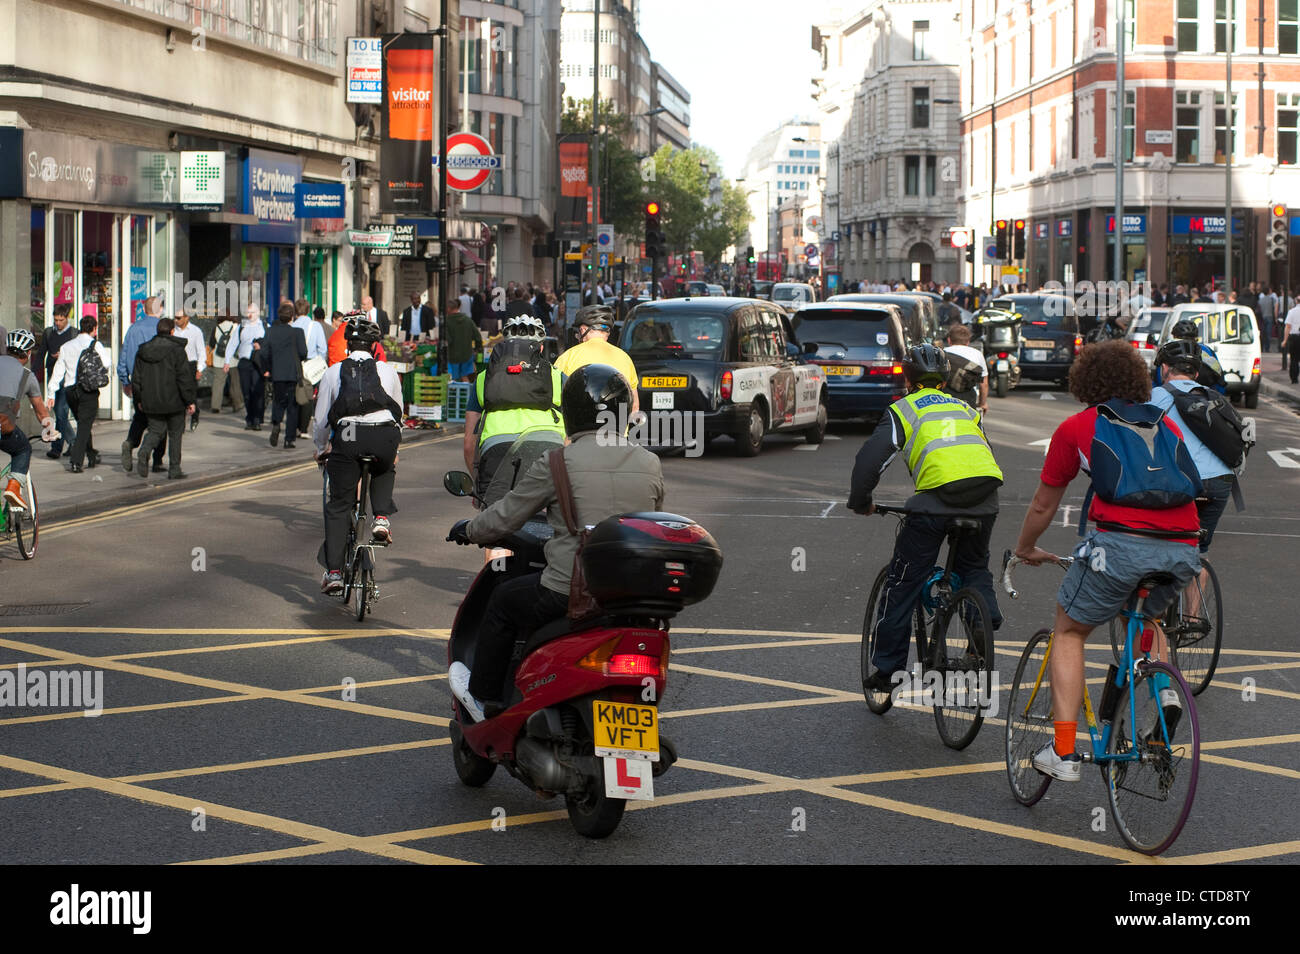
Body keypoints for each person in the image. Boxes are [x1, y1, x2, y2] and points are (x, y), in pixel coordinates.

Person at [1012, 340, 1200, 781]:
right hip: (1184, 547)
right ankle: (1165, 690)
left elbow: (1043, 505)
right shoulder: (1163, 423)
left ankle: (1062, 752)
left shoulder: (1079, 427)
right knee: (1144, 616)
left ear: (1085, 382)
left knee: (1070, 630)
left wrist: (1025, 548)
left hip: (1121, 546)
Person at [445, 364, 665, 720]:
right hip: (629, 596)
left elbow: (505, 516)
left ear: (572, 413)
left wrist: (469, 530)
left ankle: (486, 698)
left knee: (502, 601)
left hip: (568, 592)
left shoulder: (559, 461)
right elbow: (649, 524)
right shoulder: (649, 462)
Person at [848, 344, 1005, 693]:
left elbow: (869, 463)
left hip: (937, 499)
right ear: (945, 378)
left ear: (908, 377)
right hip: (985, 497)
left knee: (903, 582)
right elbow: (980, 454)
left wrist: (861, 501)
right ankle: (982, 618)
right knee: (974, 568)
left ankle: (888, 672)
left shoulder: (903, 409)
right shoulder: (966, 408)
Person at [313, 315, 404, 594]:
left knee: (339, 505)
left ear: (348, 346)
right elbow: (398, 411)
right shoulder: (387, 371)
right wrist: (394, 448)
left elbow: (321, 421)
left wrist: (321, 450)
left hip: (349, 437)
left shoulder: (333, 372)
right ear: (375, 346)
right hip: (383, 435)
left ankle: (336, 573)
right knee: (386, 466)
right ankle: (380, 519)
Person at [462, 313, 565, 505]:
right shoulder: (558, 377)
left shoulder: (483, 379)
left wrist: (479, 484)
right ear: (541, 347)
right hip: (548, 451)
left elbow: (469, 443)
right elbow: (570, 438)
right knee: (555, 518)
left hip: (496, 451)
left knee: (493, 523)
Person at [1151, 340, 1237, 560]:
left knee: (1159, 543)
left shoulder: (1155, 397)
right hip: (1220, 481)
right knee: (1199, 551)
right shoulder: (1213, 398)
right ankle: (1197, 591)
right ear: (1196, 374)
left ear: (1164, 369)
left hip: (1179, 481)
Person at [131, 317, 196, 480]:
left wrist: (138, 399)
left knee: (155, 431)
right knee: (175, 434)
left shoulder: (143, 350)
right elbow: (183, 377)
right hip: (174, 400)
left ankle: (144, 450)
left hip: (151, 400)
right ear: (172, 331)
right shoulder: (177, 350)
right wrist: (190, 400)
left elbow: (136, 378)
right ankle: (174, 469)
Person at [0, 330, 56, 507]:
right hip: (3, 427)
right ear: (29, 353)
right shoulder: (27, 376)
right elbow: (41, 412)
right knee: (23, 449)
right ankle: (14, 487)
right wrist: (50, 430)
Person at [49, 316, 111, 473]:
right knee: (84, 425)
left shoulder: (66, 346)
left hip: (70, 391)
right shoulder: (96, 345)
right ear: (94, 329)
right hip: (88, 390)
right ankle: (76, 461)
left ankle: (91, 454)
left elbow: (58, 371)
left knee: (84, 423)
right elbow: (107, 363)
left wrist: (51, 392)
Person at [554, 305, 640, 415]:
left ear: (583, 330)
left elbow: (556, 401)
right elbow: (634, 406)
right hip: (616, 429)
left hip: (579, 430)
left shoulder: (567, 357)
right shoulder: (624, 358)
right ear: (607, 332)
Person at [117, 295, 166, 472]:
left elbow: (123, 357)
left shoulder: (133, 329)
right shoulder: (162, 328)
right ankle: (157, 459)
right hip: (158, 382)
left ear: (144, 310)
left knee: (140, 417)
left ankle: (130, 443)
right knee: (161, 419)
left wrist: (125, 380)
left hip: (137, 383)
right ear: (159, 310)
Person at [262, 301, 308, 449]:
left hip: (277, 374)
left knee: (278, 401)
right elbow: (303, 353)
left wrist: (268, 367)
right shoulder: (298, 332)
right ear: (292, 317)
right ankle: (289, 439)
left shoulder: (270, 332)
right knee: (292, 407)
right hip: (293, 374)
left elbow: (263, 353)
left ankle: (276, 424)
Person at [37, 303, 78, 458]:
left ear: (67, 318)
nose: (58, 323)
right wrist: (35, 372)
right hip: (53, 376)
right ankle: (73, 442)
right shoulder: (49, 333)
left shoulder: (74, 334)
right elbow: (41, 353)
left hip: (68, 378)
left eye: (61, 320)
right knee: (59, 412)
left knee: (61, 411)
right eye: (56, 320)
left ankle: (57, 447)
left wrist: (63, 355)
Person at [223, 302, 267, 431]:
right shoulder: (241, 327)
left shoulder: (264, 326)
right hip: (244, 362)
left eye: (252, 312)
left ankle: (257, 419)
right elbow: (232, 344)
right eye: (248, 312)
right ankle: (250, 418)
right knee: (246, 391)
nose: (250, 315)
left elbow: (269, 344)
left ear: (258, 313)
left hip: (258, 363)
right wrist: (227, 361)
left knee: (257, 391)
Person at [291, 299, 328, 439]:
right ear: (307, 310)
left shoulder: (292, 325)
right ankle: (304, 428)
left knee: (295, 395)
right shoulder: (315, 326)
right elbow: (322, 348)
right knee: (308, 397)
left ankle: (294, 425)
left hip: (295, 365)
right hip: (311, 365)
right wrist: (319, 361)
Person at [941, 322, 988, 413]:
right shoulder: (977, 354)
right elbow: (984, 384)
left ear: (949, 340)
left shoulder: (942, 353)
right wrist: (983, 404)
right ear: (968, 342)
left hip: (945, 398)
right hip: (968, 398)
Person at [172, 308, 206, 432]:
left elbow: (201, 351)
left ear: (186, 318)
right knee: (177, 394)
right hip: (176, 365)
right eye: (175, 317)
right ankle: (180, 423)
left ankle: (195, 415)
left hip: (190, 365)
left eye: (179, 318)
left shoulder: (196, 331)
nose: (176, 320)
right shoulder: (173, 331)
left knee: (190, 393)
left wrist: (199, 369)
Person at [208, 312, 243, 415]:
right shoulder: (236, 326)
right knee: (234, 382)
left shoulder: (217, 327)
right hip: (233, 360)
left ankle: (215, 406)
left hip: (219, 359)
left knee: (218, 383)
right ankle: (238, 404)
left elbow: (211, 344)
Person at [443, 297, 482, 382]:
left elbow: (448, 340)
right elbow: (478, 337)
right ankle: (467, 394)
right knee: (465, 376)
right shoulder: (468, 320)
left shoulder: (447, 322)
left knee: (454, 379)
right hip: (467, 354)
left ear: (449, 308)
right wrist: (477, 349)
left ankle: (455, 394)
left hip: (452, 356)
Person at [1284, 294, 1300, 385]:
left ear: (1296, 302)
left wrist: (1285, 340)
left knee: (1294, 359)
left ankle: (1294, 379)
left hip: (1294, 337)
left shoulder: (1292, 311)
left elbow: (1288, 326)